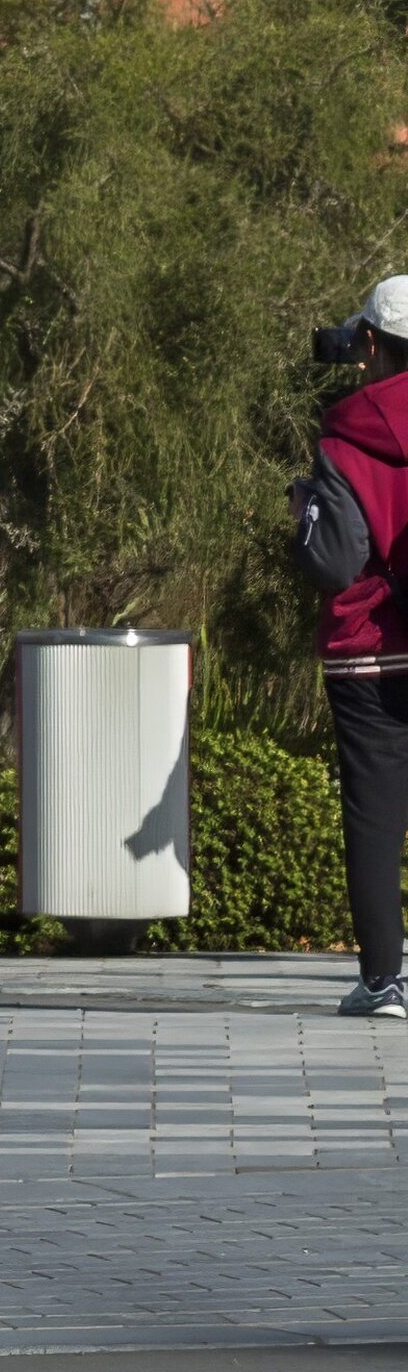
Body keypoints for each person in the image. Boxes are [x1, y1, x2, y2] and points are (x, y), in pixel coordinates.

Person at [304, 281, 408, 1023]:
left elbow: (338, 562)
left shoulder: (344, 437)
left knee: (374, 819)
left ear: (369, 343)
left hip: (370, 649)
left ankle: (383, 983)